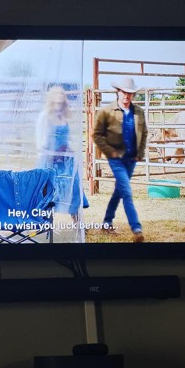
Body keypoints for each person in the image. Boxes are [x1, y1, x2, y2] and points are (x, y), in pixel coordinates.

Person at [92, 77, 148, 243]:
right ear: (118, 92)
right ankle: (136, 229)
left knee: (120, 191)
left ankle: (107, 222)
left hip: (131, 158)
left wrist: (140, 153)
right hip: (116, 159)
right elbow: (96, 135)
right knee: (127, 192)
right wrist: (110, 152)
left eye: (130, 93)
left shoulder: (138, 112)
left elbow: (144, 133)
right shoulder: (106, 111)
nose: (126, 96)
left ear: (133, 95)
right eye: (124, 92)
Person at [36, 85, 89, 217]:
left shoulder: (64, 117)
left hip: (65, 160)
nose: (59, 96)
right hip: (50, 160)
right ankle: (46, 222)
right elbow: (40, 140)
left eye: (62, 94)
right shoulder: (45, 116)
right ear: (52, 98)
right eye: (57, 94)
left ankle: (78, 223)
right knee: (49, 192)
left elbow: (67, 138)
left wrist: (70, 151)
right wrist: (49, 153)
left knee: (73, 188)